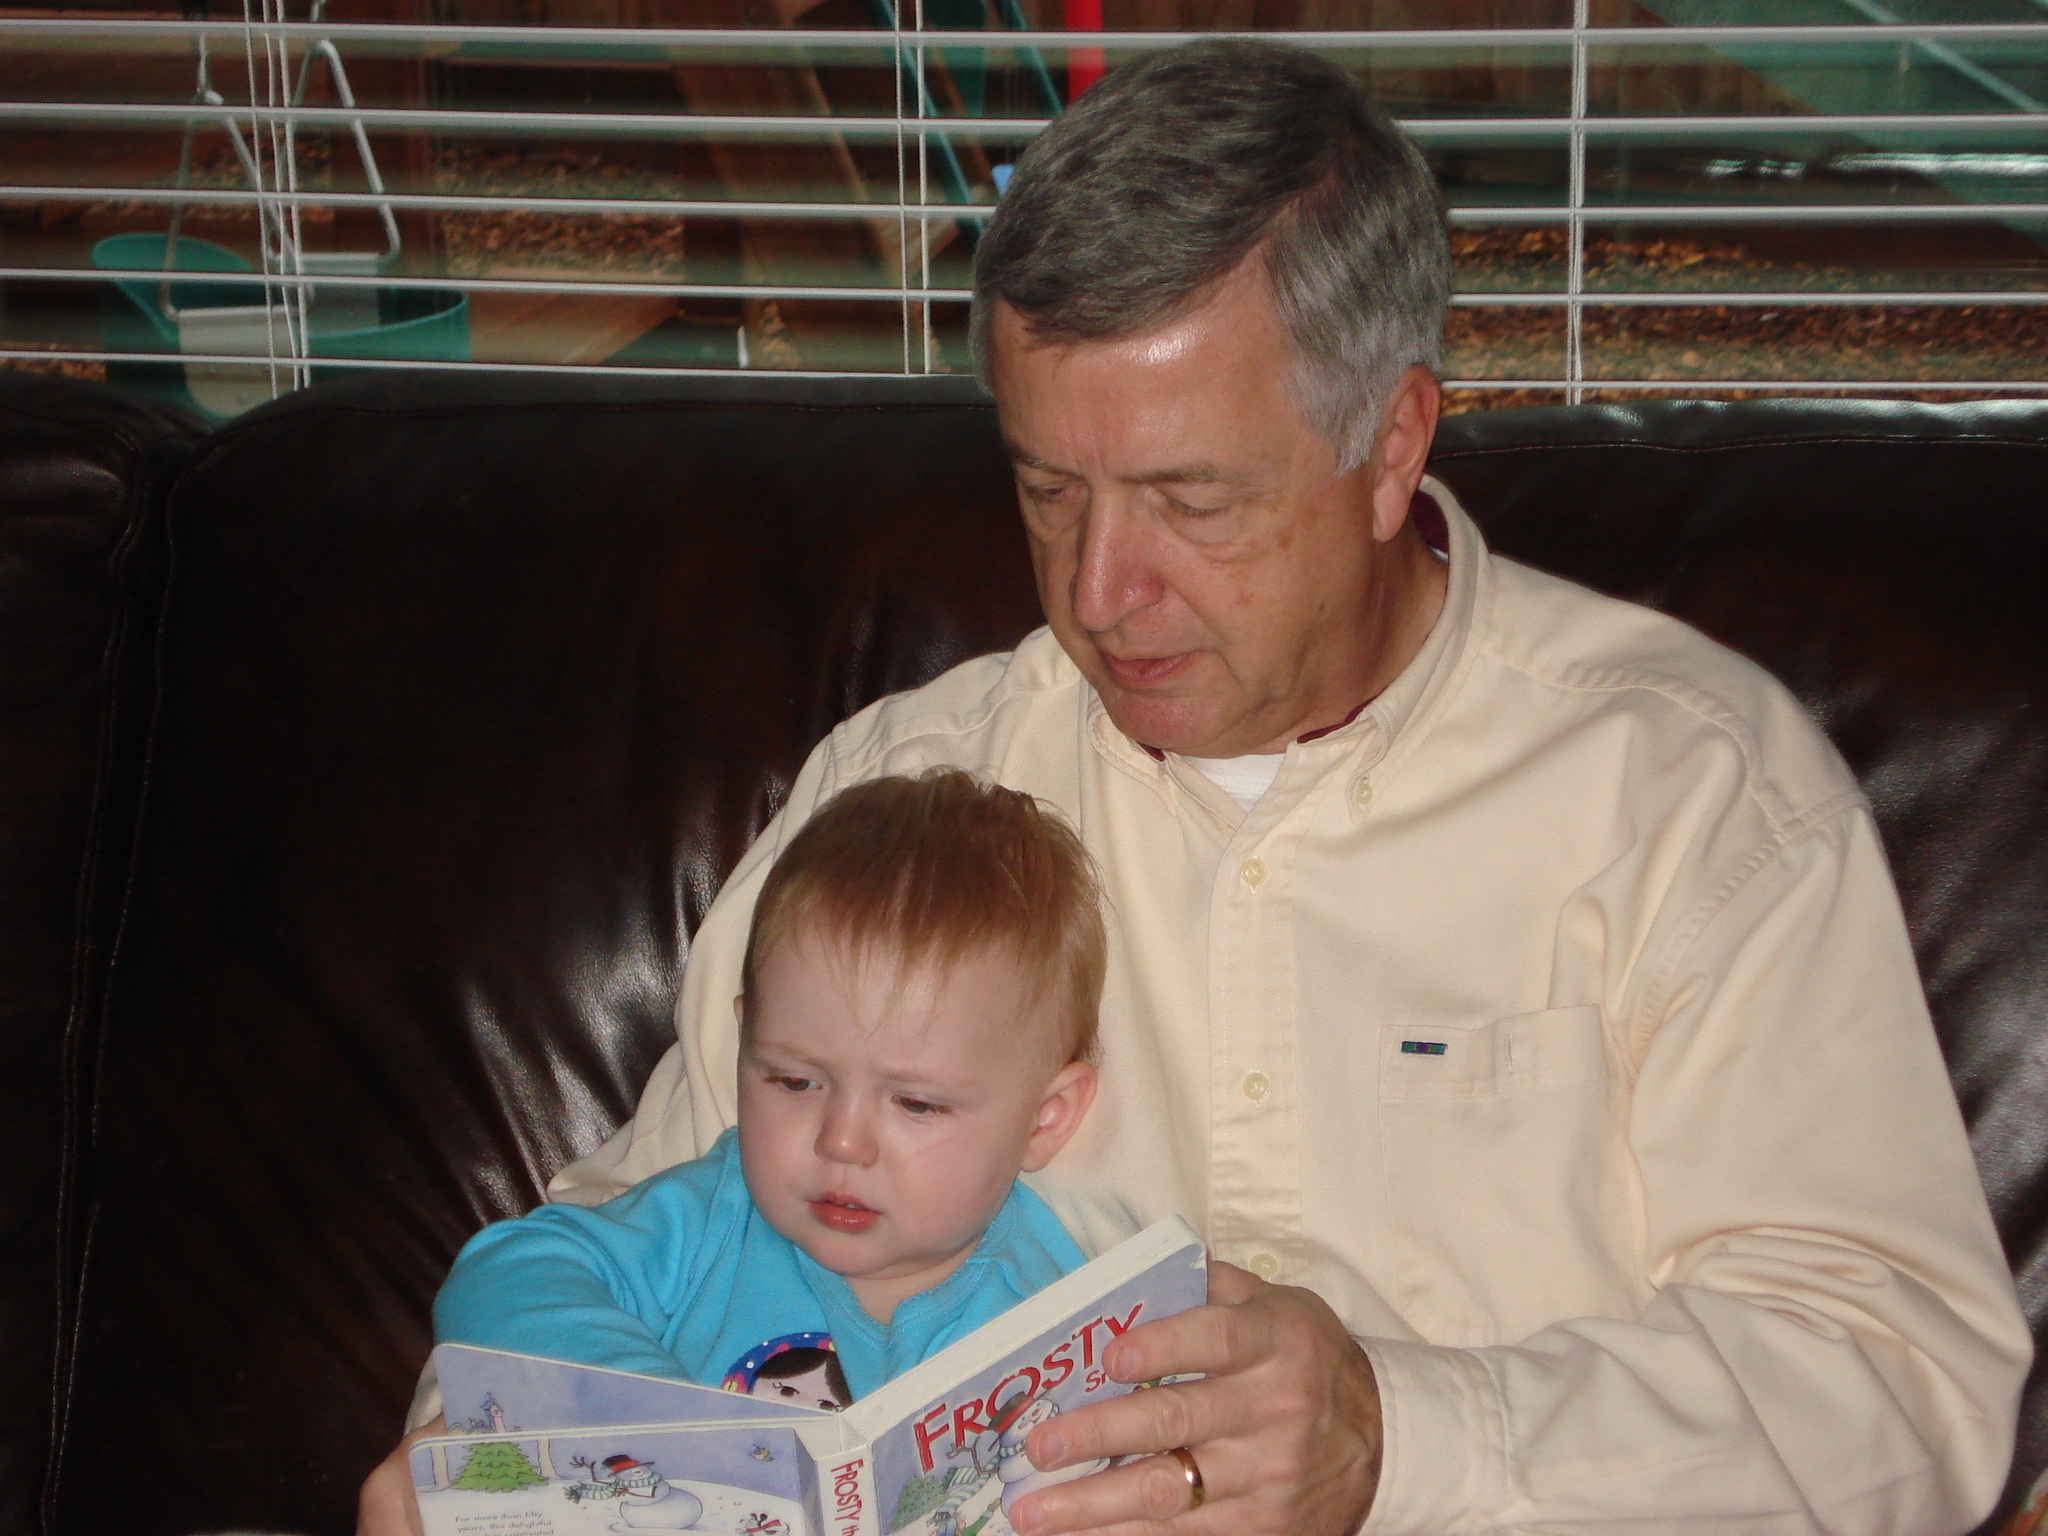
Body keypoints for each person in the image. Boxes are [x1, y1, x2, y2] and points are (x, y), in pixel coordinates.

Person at [362, 36, 2030, 1536]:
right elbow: (623, 1238)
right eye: (1048, 491)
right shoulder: (914, 788)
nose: (1099, 591)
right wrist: (490, 1465)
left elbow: (1905, 1389)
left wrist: (1403, 1435)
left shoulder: (1681, 790)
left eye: (1191, 501)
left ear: (1389, 445)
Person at [433, 769, 1106, 1402]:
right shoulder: (714, 1219)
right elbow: (502, 1278)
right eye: (794, 1080)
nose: (841, 1141)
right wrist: (656, 1410)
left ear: (1043, 1119)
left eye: (915, 1103)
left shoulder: (1060, 1321)